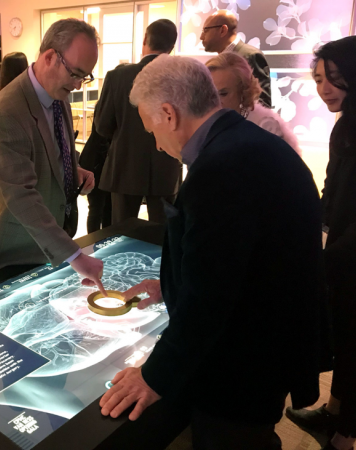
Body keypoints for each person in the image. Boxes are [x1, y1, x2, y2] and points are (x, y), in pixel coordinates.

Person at [97, 55, 324, 449]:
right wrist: (171, 285)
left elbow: (211, 297)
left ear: (169, 114)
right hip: (272, 343)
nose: (157, 143)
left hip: (243, 366)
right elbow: (237, 259)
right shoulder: (251, 142)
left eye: (151, 128)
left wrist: (153, 376)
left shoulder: (220, 169)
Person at [0, 18, 106, 294]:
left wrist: (74, 169)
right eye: (75, 74)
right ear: (50, 57)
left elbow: (53, 151)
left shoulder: (58, 94)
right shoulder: (8, 111)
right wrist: (75, 256)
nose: (78, 85)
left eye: (84, 77)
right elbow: (20, 194)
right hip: (21, 247)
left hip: (55, 235)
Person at [286, 36, 356, 450]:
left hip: (354, 257)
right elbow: (331, 190)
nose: (324, 88)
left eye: (334, 77)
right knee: (344, 339)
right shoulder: (345, 124)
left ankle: (344, 438)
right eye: (317, 79)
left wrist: (331, 259)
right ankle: (333, 411)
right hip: (343, 254)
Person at [94, 19, 182, 226]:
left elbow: (102, 125)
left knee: (123, 232)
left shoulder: (118, 76)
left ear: (145, 41)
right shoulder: (181, 78)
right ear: (172, 46)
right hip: (167, 166)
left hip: (125, 165)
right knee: (164, 232)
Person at [206, 52, 301, 154]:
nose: (213, 101)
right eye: (208, 93)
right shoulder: (204, 126)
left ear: (243, 93)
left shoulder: (265, 128)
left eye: (223, 94)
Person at [200, 10, 271, 107]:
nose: (201, 37)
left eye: (205, 30)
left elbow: (263, 104)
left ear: (223, 30)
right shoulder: (220, 60)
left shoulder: (250, 56)